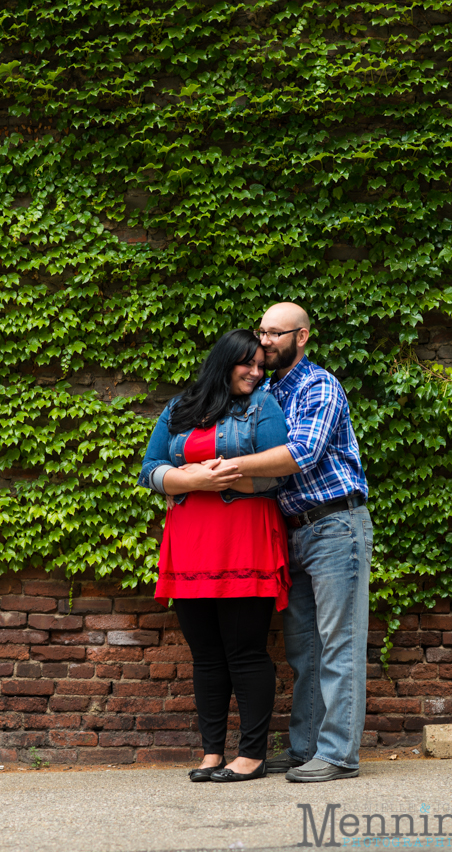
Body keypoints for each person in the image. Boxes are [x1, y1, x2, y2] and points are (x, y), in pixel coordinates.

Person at [202, 302, 372, 782]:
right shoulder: (266, 390)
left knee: (340, 643)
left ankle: (339, 756)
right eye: (262, 332)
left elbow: (303, 452)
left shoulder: (319, 384)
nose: (266, 341)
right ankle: (305, 749)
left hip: (336, 525)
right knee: (304, 650)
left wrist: (228, 469)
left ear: (302, 337)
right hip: (292, 530)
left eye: (276, 333)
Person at [138, 329, 292, 783]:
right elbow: (150, 469)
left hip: (245, 537)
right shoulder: (179, 408)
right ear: (224, 361)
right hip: (189, 542)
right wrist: (189, 481)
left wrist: (221, 475)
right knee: (204, 653)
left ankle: (251, 755)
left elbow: (281, 472)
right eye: (248, 363)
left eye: (262, 366)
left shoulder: (262, 406)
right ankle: (210, 753)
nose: (256, 372)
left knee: (244, 651)